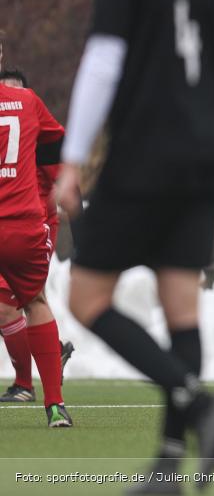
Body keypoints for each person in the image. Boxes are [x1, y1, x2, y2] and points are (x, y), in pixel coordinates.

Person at [55, 0, 214, 490]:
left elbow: (103, 61)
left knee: (87, 298)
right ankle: (170, 462)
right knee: (181, 306)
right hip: (200, 158)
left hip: (143, 155)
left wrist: (72, 159)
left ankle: (195, 406)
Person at [0, 68, 75, 403]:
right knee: (24, 305)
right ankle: (50, 399)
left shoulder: (31, 117)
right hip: (23, 228)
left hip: (31, 225)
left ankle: (26, 383)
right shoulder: (28, 107)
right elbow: (64, 147)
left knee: (13, 306)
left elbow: (66, 183)